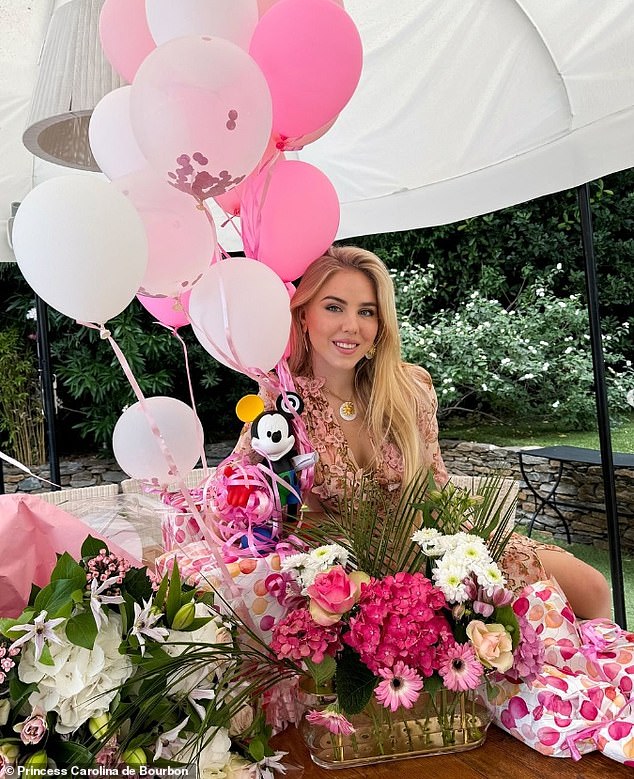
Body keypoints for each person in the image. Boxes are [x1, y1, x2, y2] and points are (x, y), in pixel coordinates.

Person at [236, 245, 612, 620]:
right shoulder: (281, 402)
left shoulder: (409, 387)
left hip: (438, 545)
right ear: (304, 316)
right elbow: (240, 497)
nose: (352, 325)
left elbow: (437, 484)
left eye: (367, 311)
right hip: (349, 572)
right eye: (334, 307)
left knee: (592, 588)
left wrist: (454, 545)